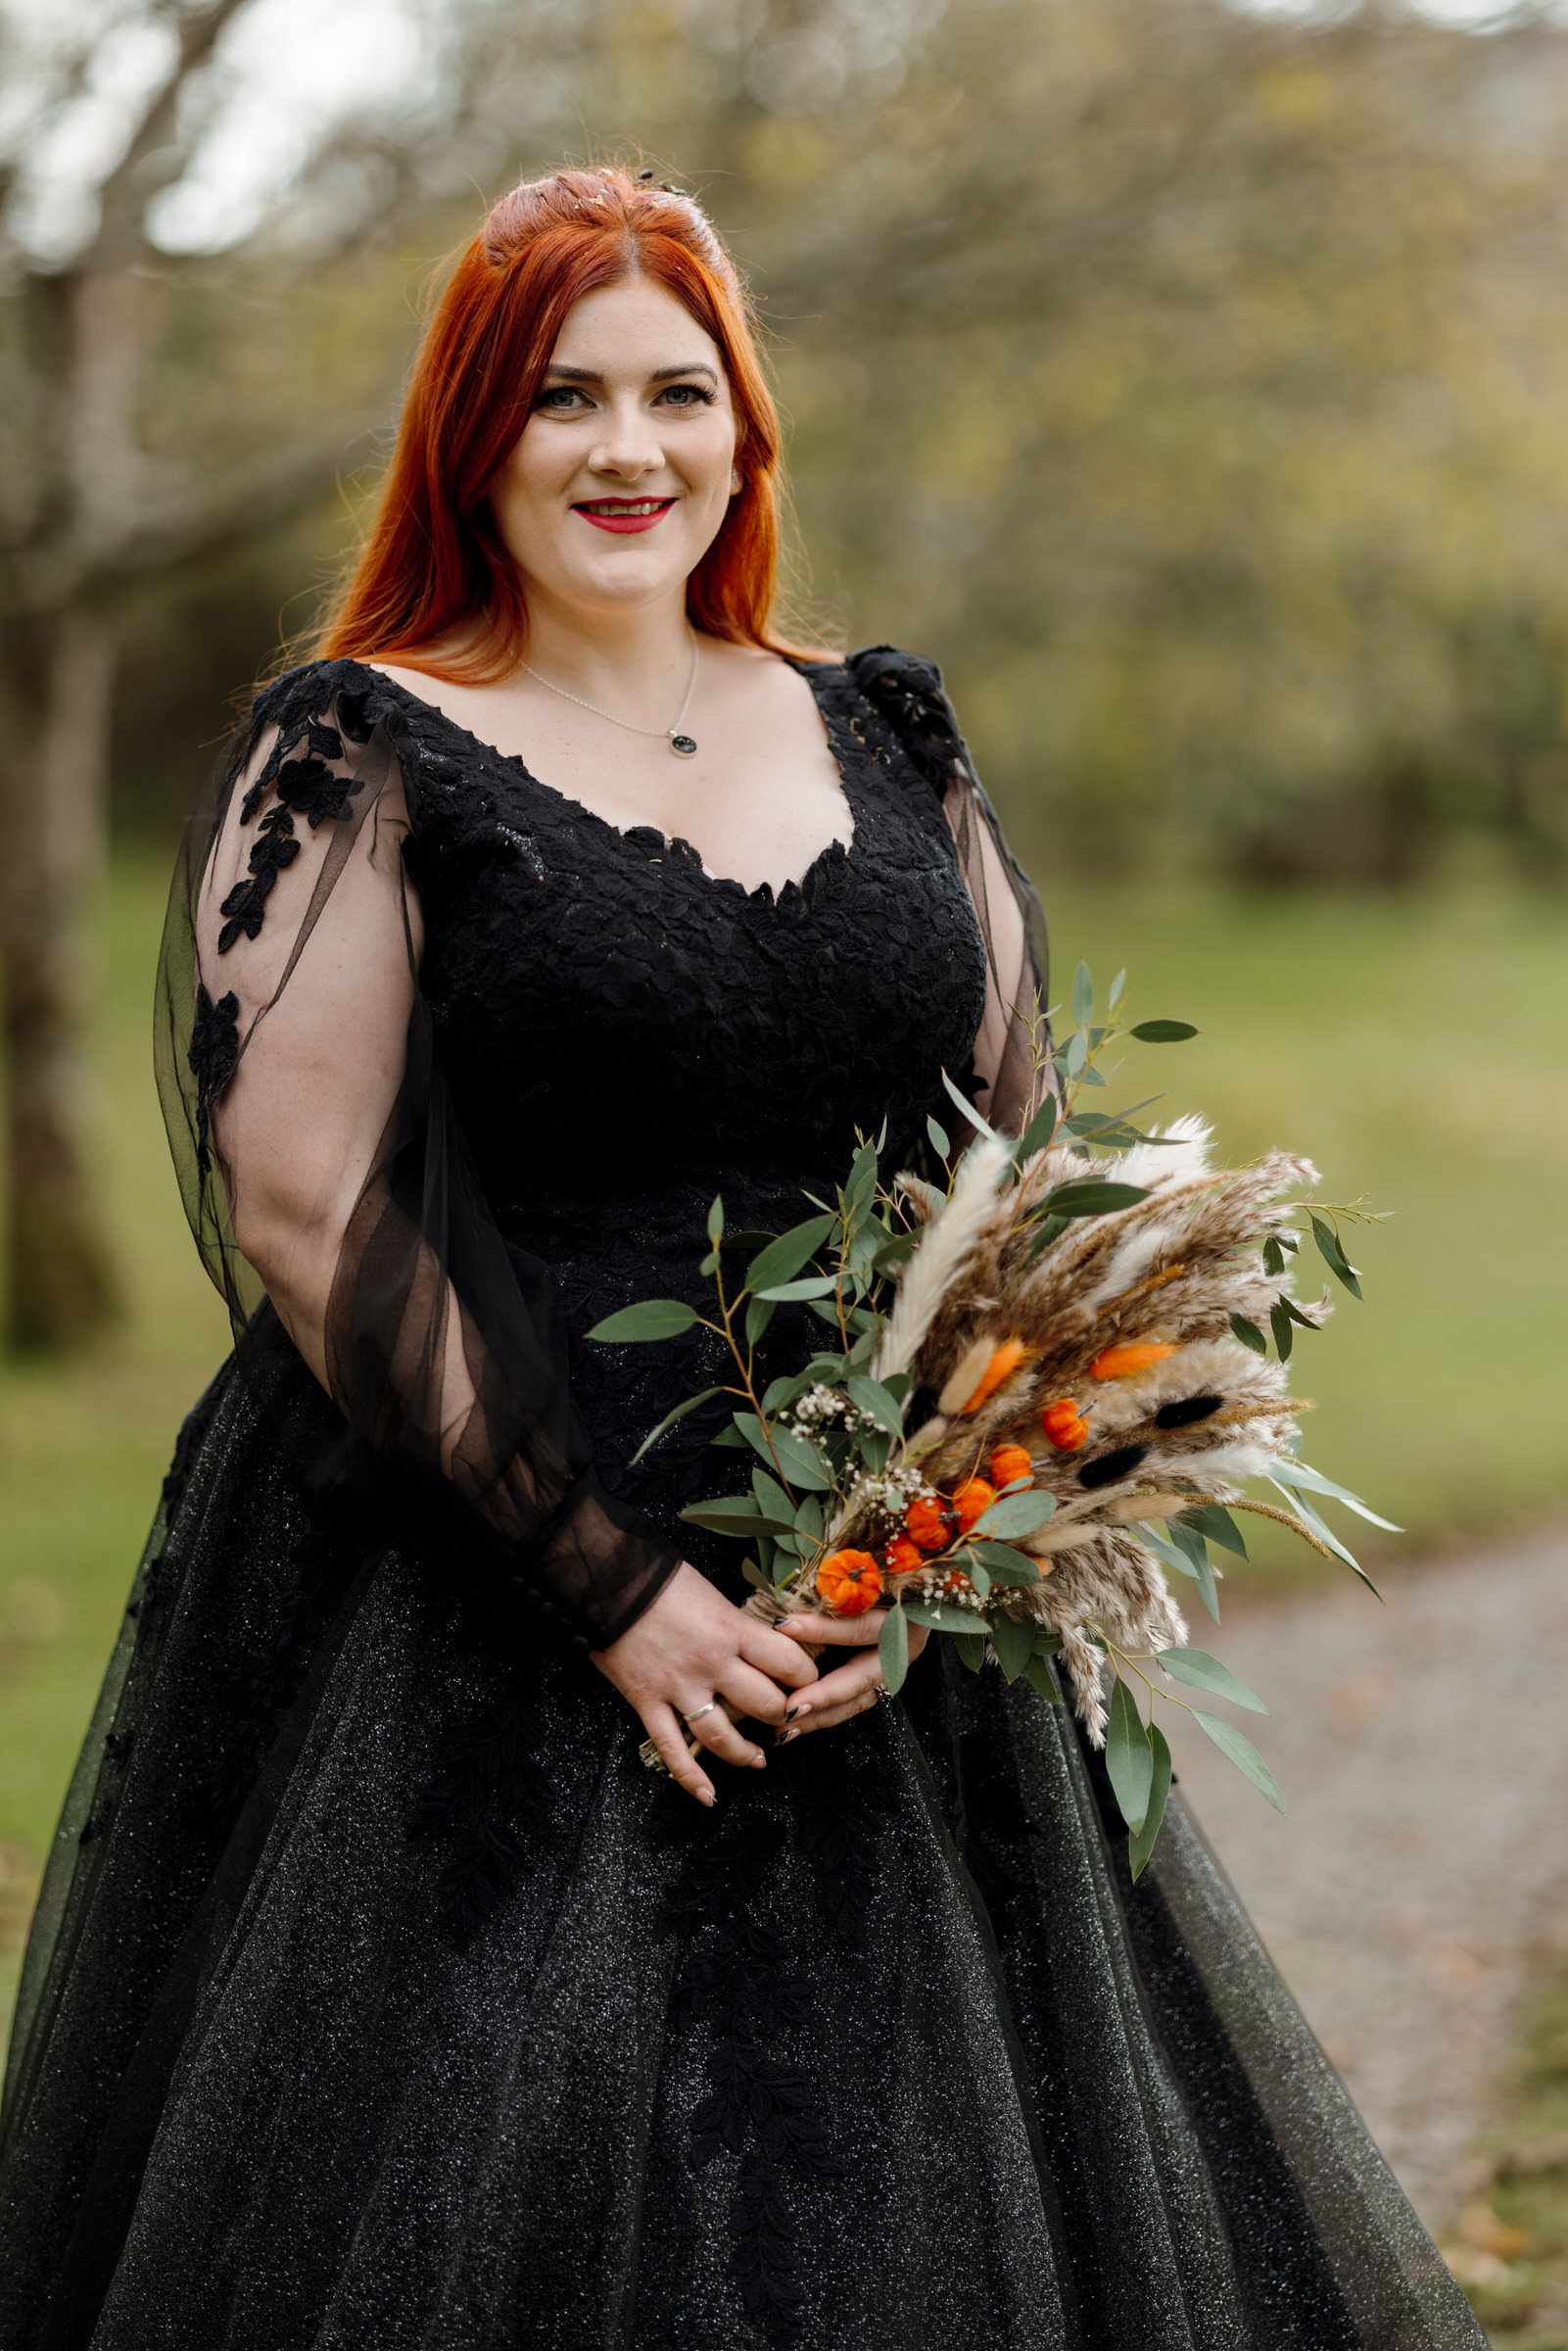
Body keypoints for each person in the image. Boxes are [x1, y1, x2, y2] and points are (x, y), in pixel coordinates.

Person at [0, 166, 1482, 2351]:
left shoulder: (888, 728)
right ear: (469, 439)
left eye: (678, 392)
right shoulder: (359, 744)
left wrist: (954, 1542)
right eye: (561, 397)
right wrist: (610, 1591)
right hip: (478, 1610)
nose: (629, 448)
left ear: (744, 426)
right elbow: (306, 1206)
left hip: (882, 1616)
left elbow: (1019, 1168)